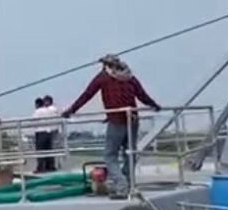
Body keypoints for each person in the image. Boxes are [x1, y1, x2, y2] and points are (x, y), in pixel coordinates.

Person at [62, 55, 160, 200]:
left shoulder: (103, 77)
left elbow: (87, 95)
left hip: (117, 120)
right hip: (132, 119)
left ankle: (121, 186)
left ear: (105, 65)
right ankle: (129, 184)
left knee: (110, 156)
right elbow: (142, 95)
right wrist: (154, 105)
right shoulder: (129, 76)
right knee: (130, 154)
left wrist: (71, 110)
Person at [31, 97, 57, 173]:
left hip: (40, 132)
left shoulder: (38, 111)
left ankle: (41, 167)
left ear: (37, 104)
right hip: (49, 132)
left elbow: (33, 121)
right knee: (49, 150)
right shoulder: (48, 110)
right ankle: (50, 166)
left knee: (40, 150)